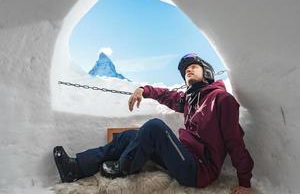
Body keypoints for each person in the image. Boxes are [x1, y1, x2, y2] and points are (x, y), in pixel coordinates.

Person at [53, 53, 254, 194]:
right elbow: (165, 95)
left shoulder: (221, 99)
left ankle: (123, 168)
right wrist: (143, 90)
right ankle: (76, 167)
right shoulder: (189, 100)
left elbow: (235, 141)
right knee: (130, 136)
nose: (188, 71)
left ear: (207, 72)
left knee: (155, 127)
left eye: (193, 67)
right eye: (185, 70)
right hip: (183, 157)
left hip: (199, 171)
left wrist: (245, 182)